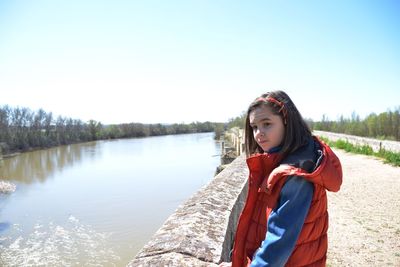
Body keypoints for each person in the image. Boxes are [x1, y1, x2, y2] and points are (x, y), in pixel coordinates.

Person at [219, 91, 342, 267]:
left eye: (267, 124)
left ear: (287, 122)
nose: (258, 134)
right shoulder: (281, 162)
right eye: (254, 127)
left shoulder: (296, 174)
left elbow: (277, 246)